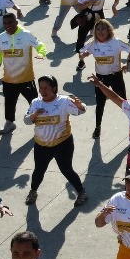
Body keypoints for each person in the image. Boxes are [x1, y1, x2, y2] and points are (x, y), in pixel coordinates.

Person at [23, 76, 88, 207]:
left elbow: (81, 110)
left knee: (66, 169)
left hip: (62, 144)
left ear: (54, 88)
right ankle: (33, 191)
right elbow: (26, 120)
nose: (43, 91)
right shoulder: (35, 102)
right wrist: (34, 115)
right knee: (39, 170)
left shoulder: (64, 101)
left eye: (46, 88)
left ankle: (82, 193)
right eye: (41, 88)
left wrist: (80, 106)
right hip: (41, 145)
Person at [0, 13, 46, 135]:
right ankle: (9, 123)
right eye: (5, 23)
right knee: (9, 102)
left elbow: (40, 45)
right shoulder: (1, 37)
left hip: (26, 78)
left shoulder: (26, 35)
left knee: (34, 102)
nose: (8, 25)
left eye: (10, 22)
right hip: (9, 79)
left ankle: (41, 123)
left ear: (16, 22)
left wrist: (41, 53)